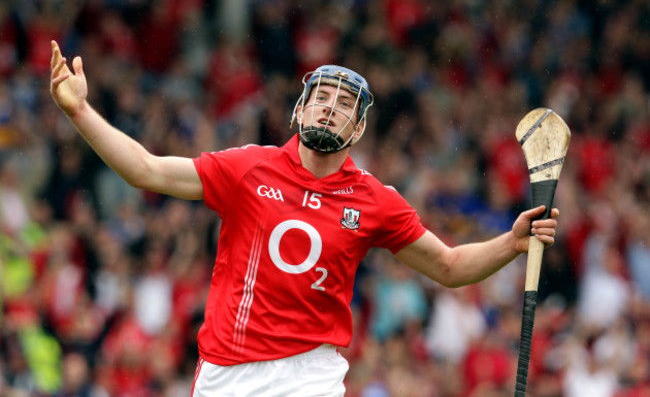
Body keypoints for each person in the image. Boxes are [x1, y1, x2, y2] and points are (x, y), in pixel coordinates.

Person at [49, 40, 560, 396]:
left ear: (358, 127)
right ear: (300, 109)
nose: (328, 110)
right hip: (225, 372)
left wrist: (510, 243)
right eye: (321, 99)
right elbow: (144, 170)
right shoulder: (249, 167)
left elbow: (449, 266)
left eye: (343, 105)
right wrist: (80, 112)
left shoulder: (373, 199)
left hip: (307, 375)